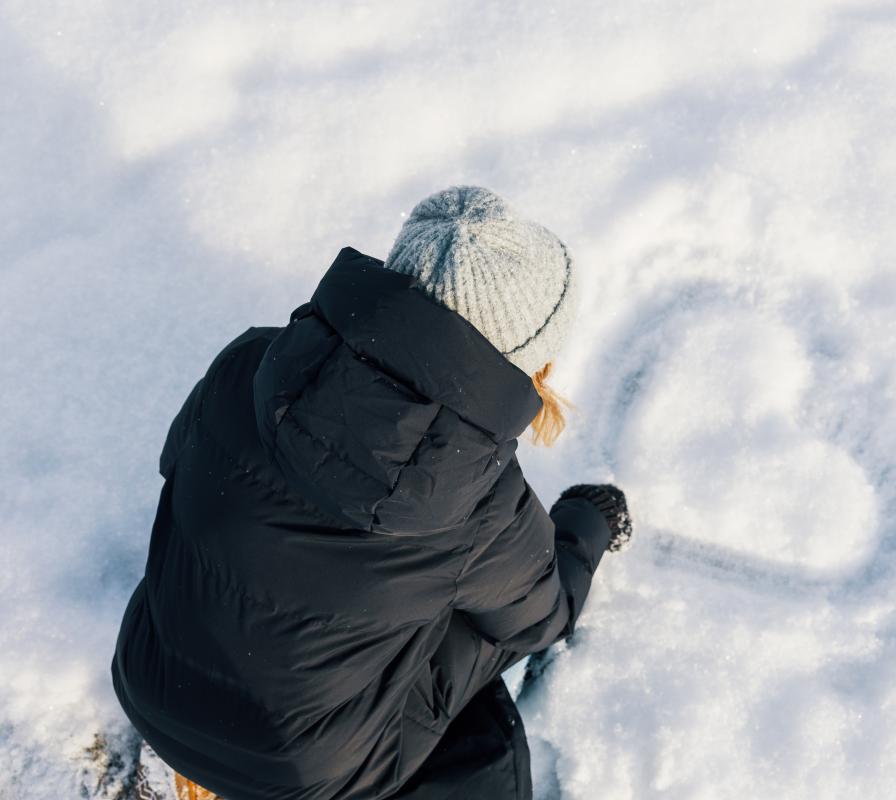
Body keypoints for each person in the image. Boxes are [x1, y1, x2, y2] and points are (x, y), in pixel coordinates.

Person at [110, 185, 633, 800]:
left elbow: (176, 467)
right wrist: (585, 522)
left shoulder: (249, 362)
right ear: (522, 355)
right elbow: (541, 617)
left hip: (147, 676)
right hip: (298, 773)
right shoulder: (479, 500)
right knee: (477, 631)